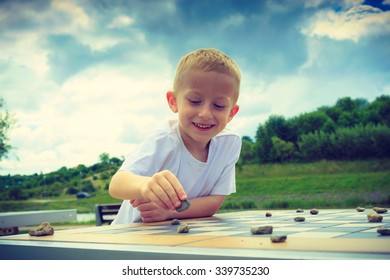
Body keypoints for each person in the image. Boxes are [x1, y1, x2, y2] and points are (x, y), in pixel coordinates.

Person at [109, 48, 241, 224]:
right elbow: (117, 184)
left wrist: (169, 212)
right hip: (128, 240)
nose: (205, 113)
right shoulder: (162, 141)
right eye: (194, 101)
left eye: (219, 105)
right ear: (173, 101)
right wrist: (145, 186)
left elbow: (214, 201)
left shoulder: (229, 144)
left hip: (176, 238)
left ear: (232, 113)